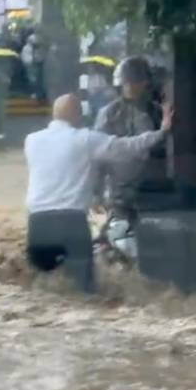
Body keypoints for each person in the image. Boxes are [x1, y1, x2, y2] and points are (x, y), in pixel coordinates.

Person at [24, 93, 172, 293]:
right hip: (71, 223)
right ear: (78, 115)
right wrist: (162, 131)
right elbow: (127, 147)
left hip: (37, 226)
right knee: (84, 292)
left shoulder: (31, 141)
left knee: (42, 289)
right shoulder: (86, 139)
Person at [93, 56, 162, 231]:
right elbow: (99, 153)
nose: (131, 87)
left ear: (146, 83)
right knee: (120, 233)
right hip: (119, 189)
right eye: (127, 83)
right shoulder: (108, 113)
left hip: (152, 188)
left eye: (136, 82)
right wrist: (96, 190)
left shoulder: (158, 113)